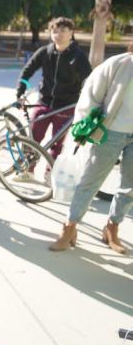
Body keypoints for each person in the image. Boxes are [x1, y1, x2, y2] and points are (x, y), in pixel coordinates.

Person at [49, 46, 133, 253]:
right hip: (110, 131)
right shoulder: (118, 64)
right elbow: (91, 95)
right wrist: (83, 127)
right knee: (90, 181)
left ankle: (112, 227)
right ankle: (70, 226)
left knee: (130, 187)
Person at [15, 17, 92, 162]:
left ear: (71, 33)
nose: (58, 34)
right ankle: (27, 169)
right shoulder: (45, 52)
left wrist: (86, 100)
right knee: (32, 138)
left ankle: (50, 173)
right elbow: (27, 71)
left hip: (66, 106)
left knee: (57, 144)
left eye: (63, 30)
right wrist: (20, 91)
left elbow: (89, 79)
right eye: (55, 30)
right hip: (43, 103)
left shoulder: (78, 56)